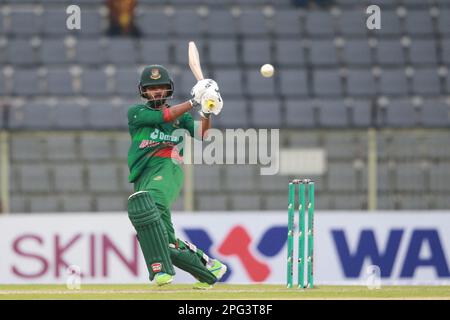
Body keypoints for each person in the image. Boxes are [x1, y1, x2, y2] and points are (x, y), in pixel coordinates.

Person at [126, 64, 227, 289]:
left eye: (161, 88)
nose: (157, 92)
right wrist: (194, 101)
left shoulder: (182, 119)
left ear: (168, 89)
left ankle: (161, 271)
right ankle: (209, 268)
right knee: (161, 239)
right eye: (152, 89)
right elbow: (165, 115)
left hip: (167, 166)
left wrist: (207, 109)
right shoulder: (137, 113)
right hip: (143, 173)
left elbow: (202, 134)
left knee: (148, 205)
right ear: (143, 91)